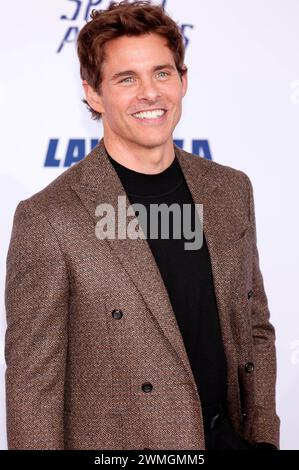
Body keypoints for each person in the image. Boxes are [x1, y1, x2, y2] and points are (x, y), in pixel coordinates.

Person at [5, 0, 279, 450]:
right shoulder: (48, 218)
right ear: (94, 93)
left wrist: (264, 440)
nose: (150, 93)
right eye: (126, 78)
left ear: (183, 80)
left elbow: (254, 328)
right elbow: (33, 389)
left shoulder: (231, 191)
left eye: (162, 72)